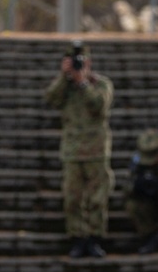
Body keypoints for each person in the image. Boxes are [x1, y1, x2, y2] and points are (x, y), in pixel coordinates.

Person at [44, 40, 115, 259]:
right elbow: (50, 99)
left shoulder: (100, 84)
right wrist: (65, 78)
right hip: (73, 151)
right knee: (73, 198)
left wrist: (83, 82)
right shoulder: (64, 88)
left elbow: (99, 106)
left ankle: (94, 238)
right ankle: (77, 238)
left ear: (89, 62)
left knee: (97, 198)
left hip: (96, 150)